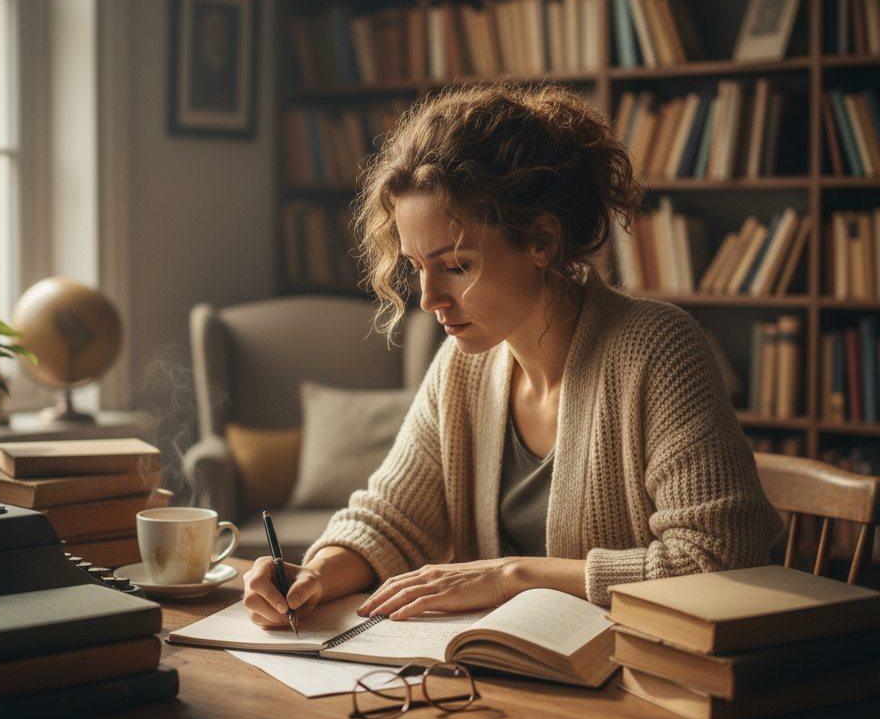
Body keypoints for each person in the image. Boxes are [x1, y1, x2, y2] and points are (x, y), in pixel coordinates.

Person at [243, 82, 781, 629]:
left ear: (541, 241)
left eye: (456, 266)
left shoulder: (660, 351)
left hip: (634, 667)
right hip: (498, 666)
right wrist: (313, 575)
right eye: (417, 267)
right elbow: (389, 520)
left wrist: (511, 576)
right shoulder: (460, 367)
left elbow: (720, 561)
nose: (428, 299)